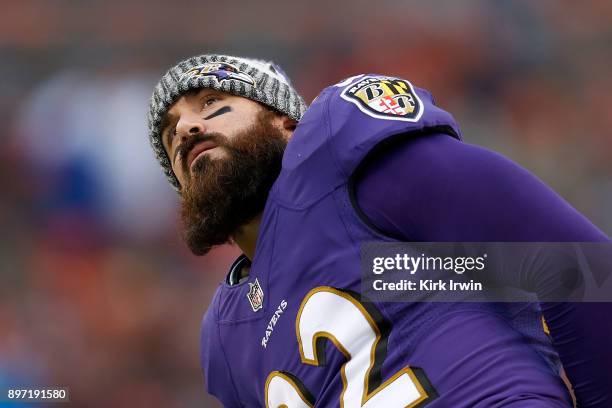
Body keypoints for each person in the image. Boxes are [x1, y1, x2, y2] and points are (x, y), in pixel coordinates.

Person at [147, 54, 611, 407]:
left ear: (287, 123)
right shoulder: (226, 338)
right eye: (170, 135)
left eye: (213, 104)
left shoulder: (342, 166)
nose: (186, 127)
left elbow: (573, 264)